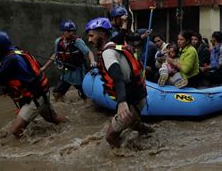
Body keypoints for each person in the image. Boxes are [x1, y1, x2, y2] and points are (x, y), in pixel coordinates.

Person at [0, 31, 68, 138]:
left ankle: (31, 151)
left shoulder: (11, 60)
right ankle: (72, 126)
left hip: (35, 97)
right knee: (52, 118)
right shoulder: (16, 51)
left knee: (15, 130)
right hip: (41, 92)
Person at [86, 17, 153, 148]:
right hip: (138, 96)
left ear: (103, 34)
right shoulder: (114, 45)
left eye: (91, 35)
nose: (89, 40)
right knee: (135, 124)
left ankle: (128, 158)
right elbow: (122, 34)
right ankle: (151, 133)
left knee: (110, 136)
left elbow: (118, 78)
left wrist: (122, 102)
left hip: (131, 99)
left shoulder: (107, 53)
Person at [41, 20, 96, 103]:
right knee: (56, 94)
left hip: (79, 73)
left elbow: (89, 52)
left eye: (73, 31)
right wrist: (45, 67)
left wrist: (92, 61)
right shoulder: (58, 42)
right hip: (67, 73)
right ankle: (67, 104)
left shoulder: (78, 42)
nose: (71, 33)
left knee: (86, 96)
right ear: (63, 31)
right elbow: (55, 55)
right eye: (69, 31)